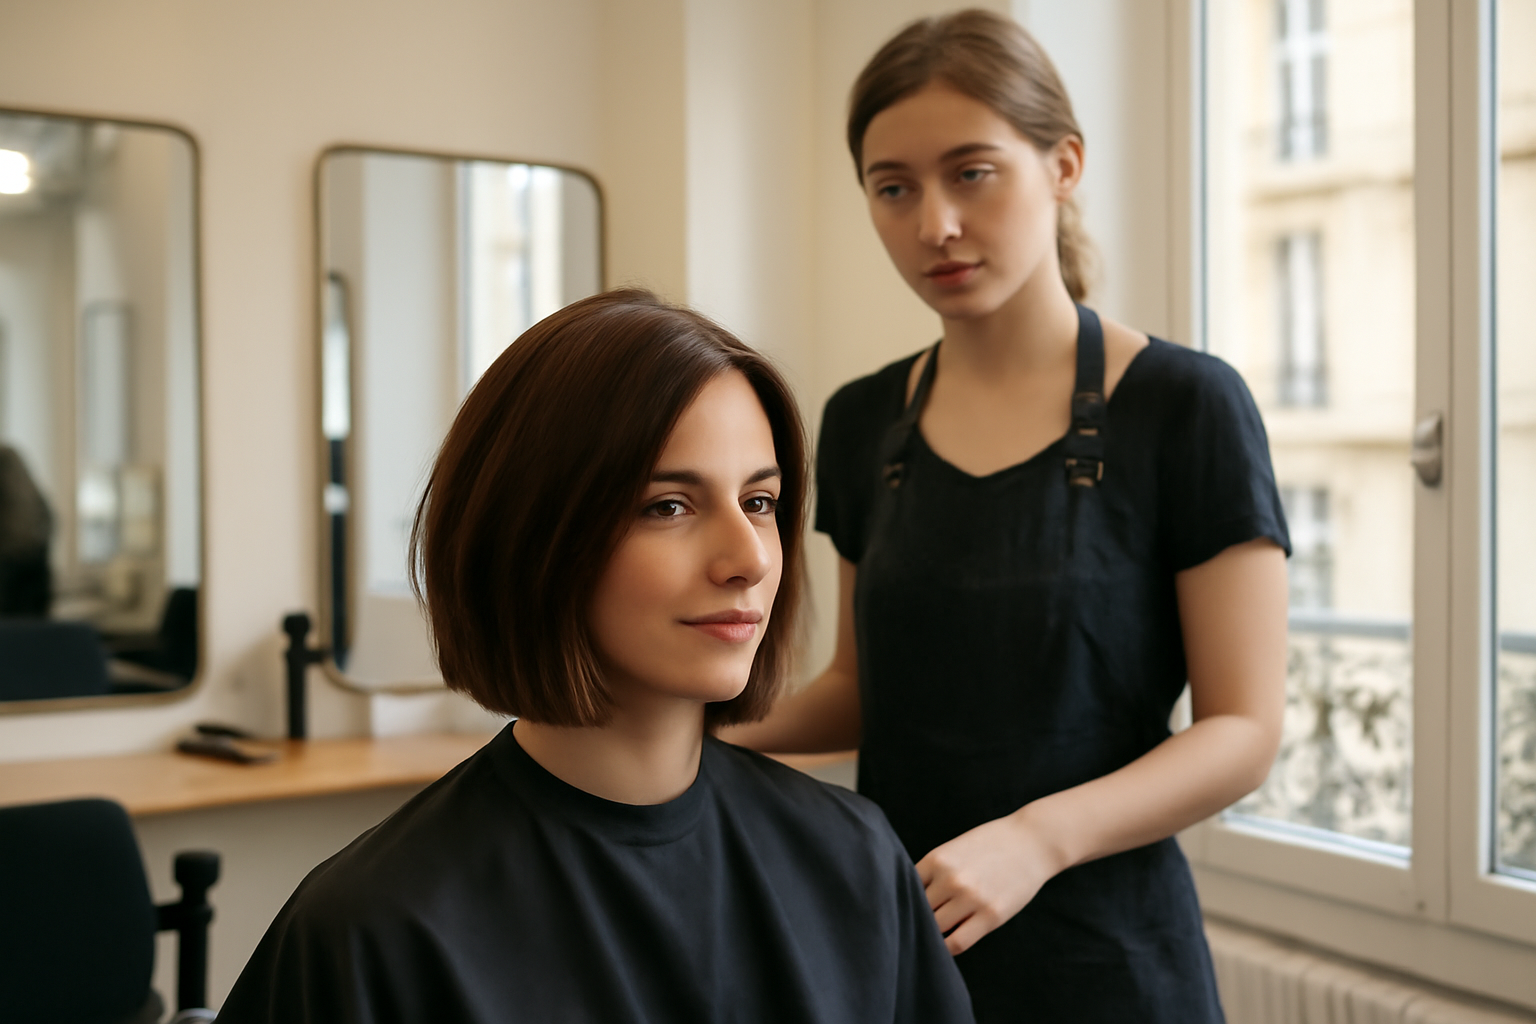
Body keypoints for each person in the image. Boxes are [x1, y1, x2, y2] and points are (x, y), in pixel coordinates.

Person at [723, 10, 1290, 1022]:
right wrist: (686, 725)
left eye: (971, 172)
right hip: (905, 941)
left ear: (1063, 164)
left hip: (1113, 961)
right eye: (892, 187)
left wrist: (1037, 836)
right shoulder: (862, 420)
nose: (933, 222)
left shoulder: (1185, 406)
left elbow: (1243, 729)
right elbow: (860, 690)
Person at [217, 290, 974, 1024]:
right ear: (532, 540)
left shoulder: (856, 859)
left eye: (760, 503)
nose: (748, 559)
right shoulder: (373, 932)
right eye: (668, 506)